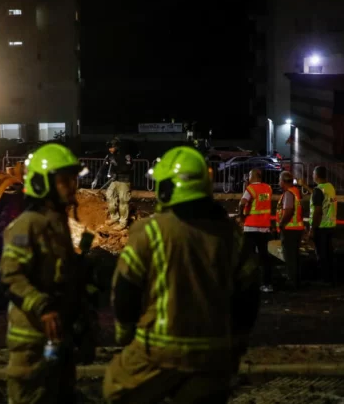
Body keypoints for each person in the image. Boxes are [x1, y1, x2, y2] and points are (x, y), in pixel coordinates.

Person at [103, 146, 260, 404]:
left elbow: (125, 290)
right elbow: (249, 293)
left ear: (166, 188)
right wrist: (237, 342)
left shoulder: (150, 230)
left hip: (159, 351)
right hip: (215, 354)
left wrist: (125, 334)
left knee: (115, 388)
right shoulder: (231, 235)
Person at [0, 143, 90, 404]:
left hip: (56, 338)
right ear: (42, 183)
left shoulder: (57, 223)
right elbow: (10, 276)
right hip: (32, 341)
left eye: (73, 180)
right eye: (64, 181)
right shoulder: (28, 224)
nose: (72, 186)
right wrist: (42, 307)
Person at [237, 168, 273, 293]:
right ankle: (267, 284)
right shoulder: (268, 188)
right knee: (264, 256)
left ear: (255, 176)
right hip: (264, 227)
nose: (248, 178)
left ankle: (248, 283)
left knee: (247, 256)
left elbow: (242, 203)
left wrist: (241, 217)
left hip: (251, 227)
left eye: (250, 175)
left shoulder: (251, 189)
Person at [91, 138, 133, 230]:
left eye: (112, 147)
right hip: (114, 180)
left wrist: (116, 168)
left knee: (123, 201)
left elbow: (128, 167)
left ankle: (123, 223)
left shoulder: (125, 154)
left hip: (124, 181)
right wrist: (96, 178)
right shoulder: (110, 155)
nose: (110, 149)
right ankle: (114, 217)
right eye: (109, 148)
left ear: (117, 146)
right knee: (109, 195)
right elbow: (103, 167)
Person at [309, 166, 337, 285]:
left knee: (321, 255)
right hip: (331, 226)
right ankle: (330, 278)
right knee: (329, 254)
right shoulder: (330, 187)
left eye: (313, 174)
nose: (312, 176)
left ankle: (325, 280)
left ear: (317, 176)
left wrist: (312, 228)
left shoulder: (318, 190)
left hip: (321, 227)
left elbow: (317, 211)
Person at [276, 171, 305, 289]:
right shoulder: (296, 191)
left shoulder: (288, 194)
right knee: (294, 256)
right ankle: (296, 280)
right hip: (297, 228)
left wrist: (281, 224)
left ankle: (292, 281)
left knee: (290, 257)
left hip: (289, 229)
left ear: (283, 182)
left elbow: (288, 211)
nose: (279, 182)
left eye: (279, 180)